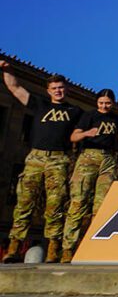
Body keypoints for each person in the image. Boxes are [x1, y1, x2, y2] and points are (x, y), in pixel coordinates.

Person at [1, 61, 82, 264]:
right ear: (48, 91)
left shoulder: (75, 111)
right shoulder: (39, 104)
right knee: (24, 203)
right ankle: (14, 248)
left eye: (61, 88)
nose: (58, 91)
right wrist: (7, 70)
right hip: (35, 158)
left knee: (55, 206)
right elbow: (14, 87)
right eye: (54, 88)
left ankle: (53, 249)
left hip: (59, 159)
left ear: (67, 89)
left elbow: (77, 134)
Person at [60, 88, 118, 263]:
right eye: (101, 102)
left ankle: (94, 246)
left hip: (108, 159)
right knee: (79, 201)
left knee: (102, 205)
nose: (104, 106)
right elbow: (73, 136)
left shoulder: (115, 119)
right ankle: (67, 248)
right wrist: (87, 133)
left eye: (108, 103)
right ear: (97, 102)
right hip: (88, 157)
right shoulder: (89, 116)